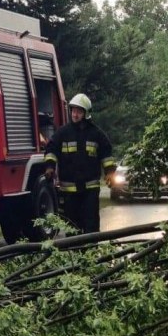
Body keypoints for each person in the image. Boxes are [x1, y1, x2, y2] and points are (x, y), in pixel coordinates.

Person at [43, 94, 117, 234]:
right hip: (69, 192)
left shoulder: (96, 134)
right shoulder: (62, 133)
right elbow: (51, 149)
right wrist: (49, 167)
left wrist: (110, 172)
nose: (75, 114)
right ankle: (74, 254)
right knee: (71, 228)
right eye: (73, 111)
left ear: (86, 113)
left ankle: (91, 254)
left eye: (79, 111)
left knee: (91, 225)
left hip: (90, 190)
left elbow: (107, 154)